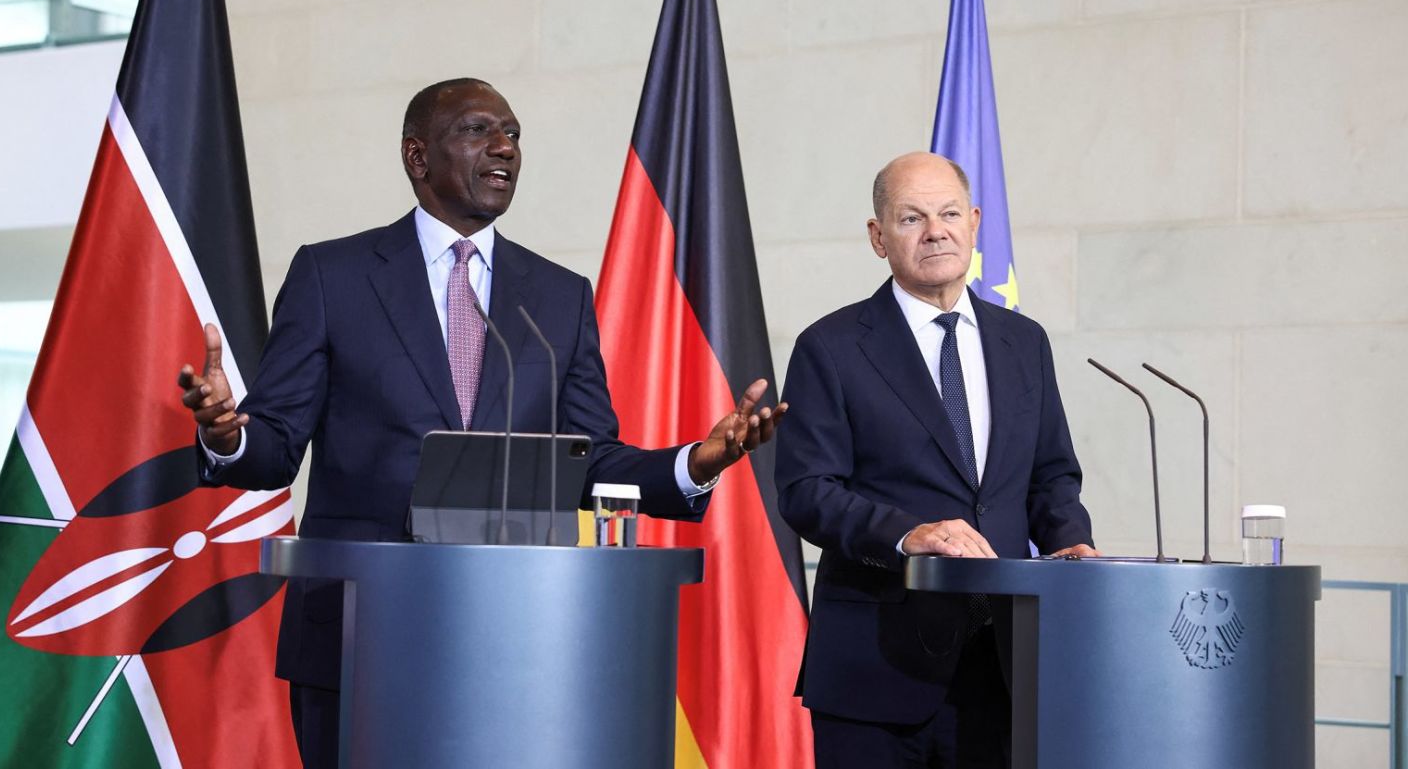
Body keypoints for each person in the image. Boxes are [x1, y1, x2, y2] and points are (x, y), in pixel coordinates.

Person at [176, 77, 786, 768]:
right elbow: (276, 444)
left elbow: (589, 460)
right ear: (417, 157)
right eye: (477, 130)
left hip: (515, 644)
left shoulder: (557, 296)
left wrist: (692, 463)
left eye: (514, 134)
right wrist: (228, 434)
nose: (504, 147)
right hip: (357, 634)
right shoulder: (332, 276)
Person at [775, 152, 1096, 768]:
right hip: (877, 671)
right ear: (877, 237)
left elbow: (1051, 474)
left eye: (949, 213)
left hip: (1003, 666)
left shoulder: (1023, 341)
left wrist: (1069, 541)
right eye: (911, 217)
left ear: (975, 223)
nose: (935, 231)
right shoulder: (831, 347)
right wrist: (908, 533)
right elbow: (806, 490)